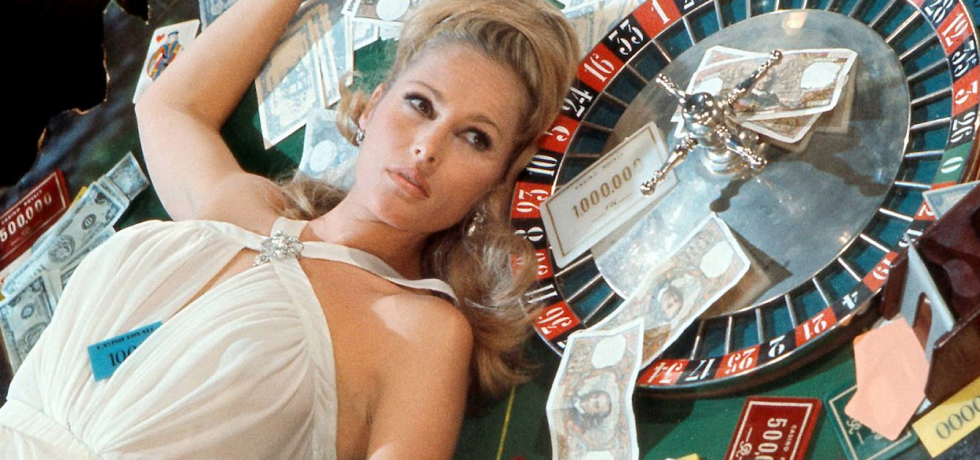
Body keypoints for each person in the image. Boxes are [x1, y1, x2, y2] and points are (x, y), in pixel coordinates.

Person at [0, 0, 578, 458]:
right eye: (421, 104)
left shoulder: (419, 331)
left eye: (476, 138)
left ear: (498, 180)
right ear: (372, 105)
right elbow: (168, 106)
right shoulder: (237, 205)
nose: (427, 148)